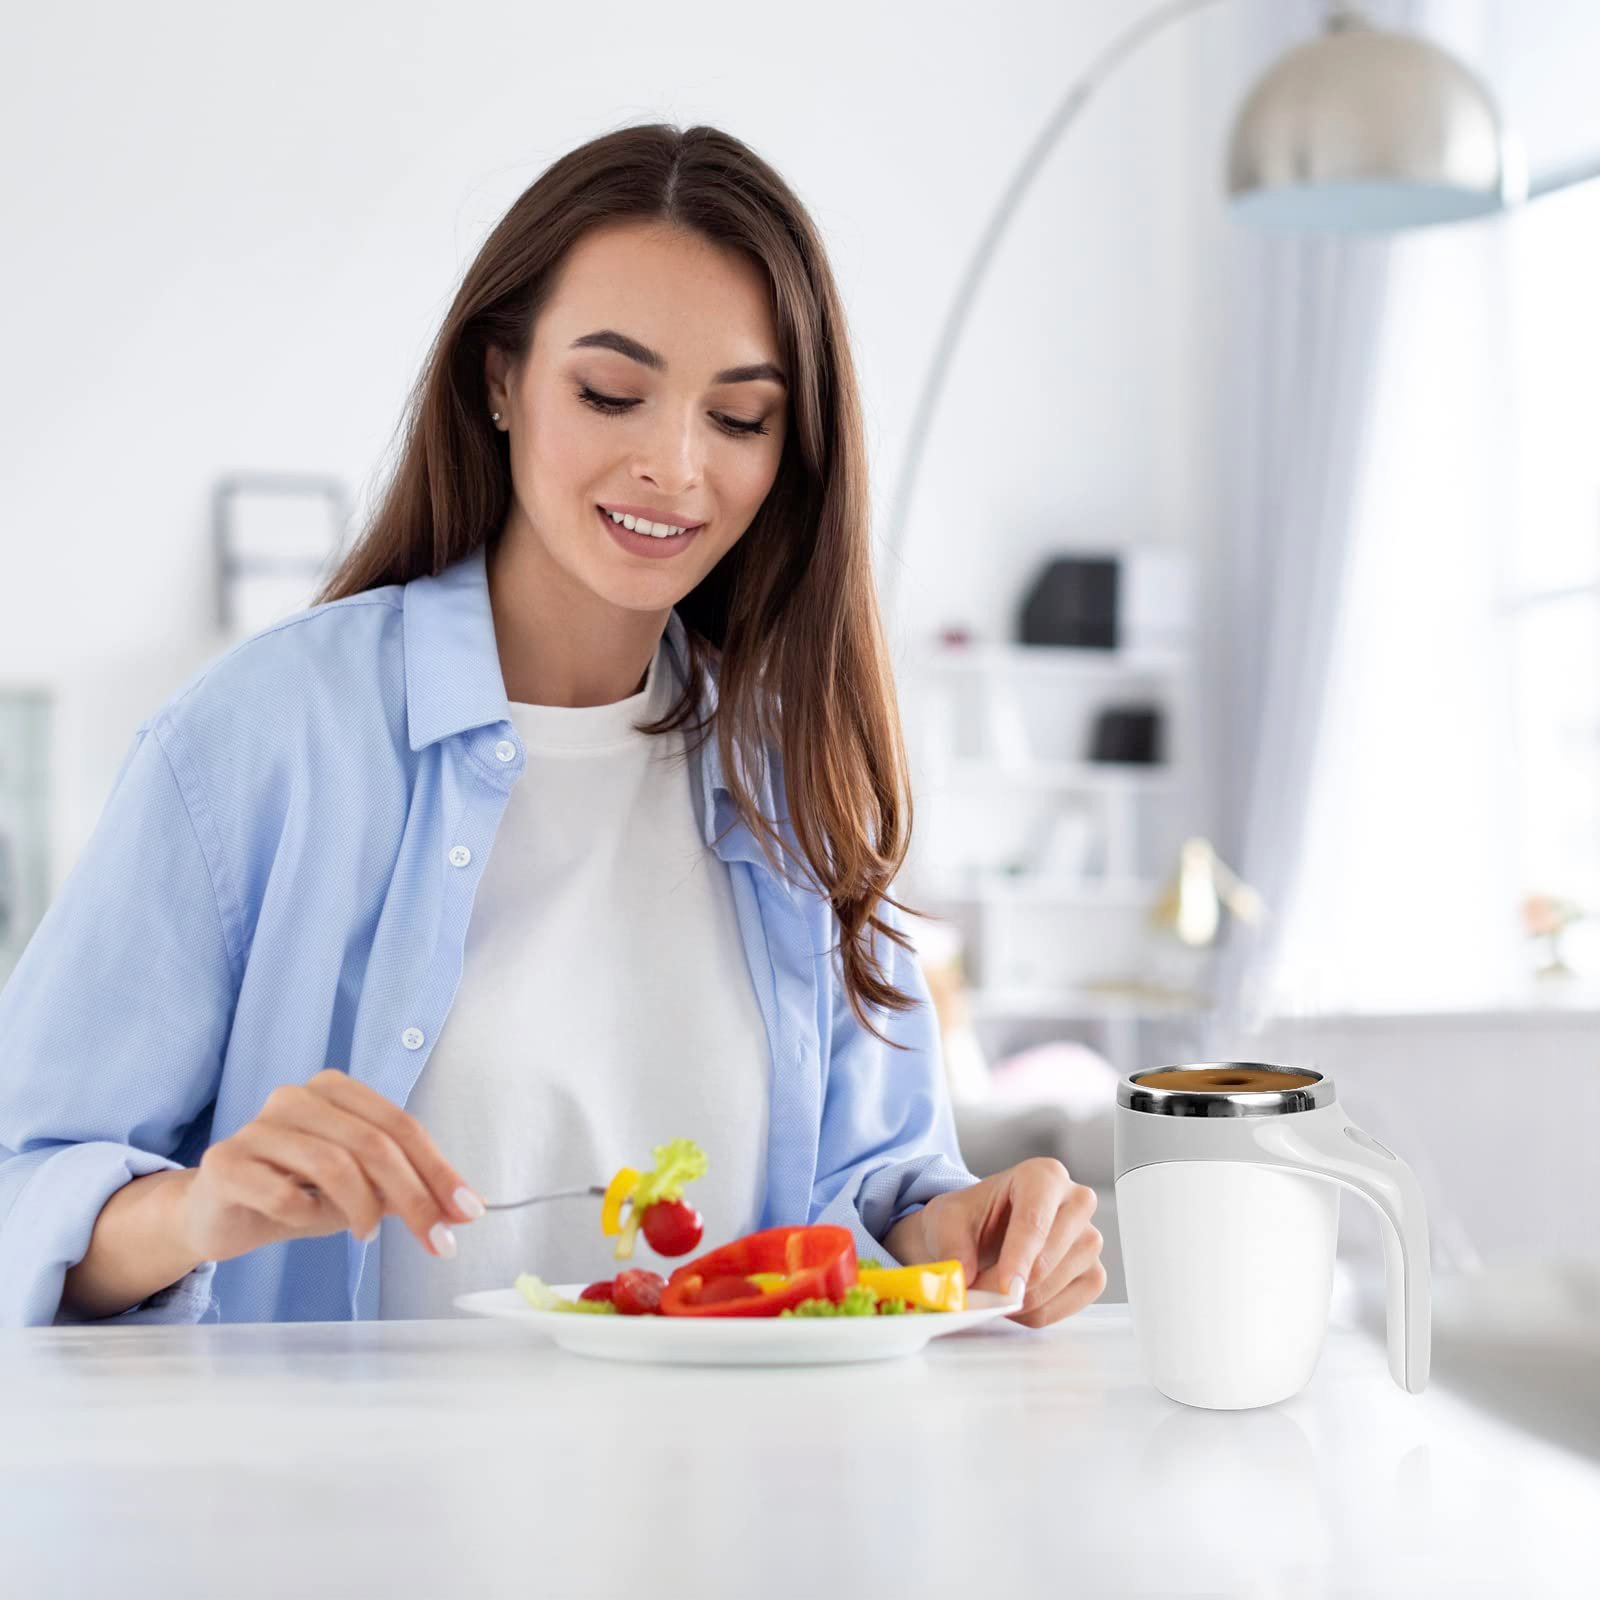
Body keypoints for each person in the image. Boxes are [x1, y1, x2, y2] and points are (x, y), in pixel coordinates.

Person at [0, 123, 1105, 1329]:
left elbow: (873, 1191)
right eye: (611, 393)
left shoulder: (794, 777)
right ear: (498, 381)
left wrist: (968, 1231)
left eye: (739, 419)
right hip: (336, 1514)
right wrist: (199, 1211)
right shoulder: (261, 738)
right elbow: (24, 1188)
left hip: (754, 1510)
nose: (674, 468)